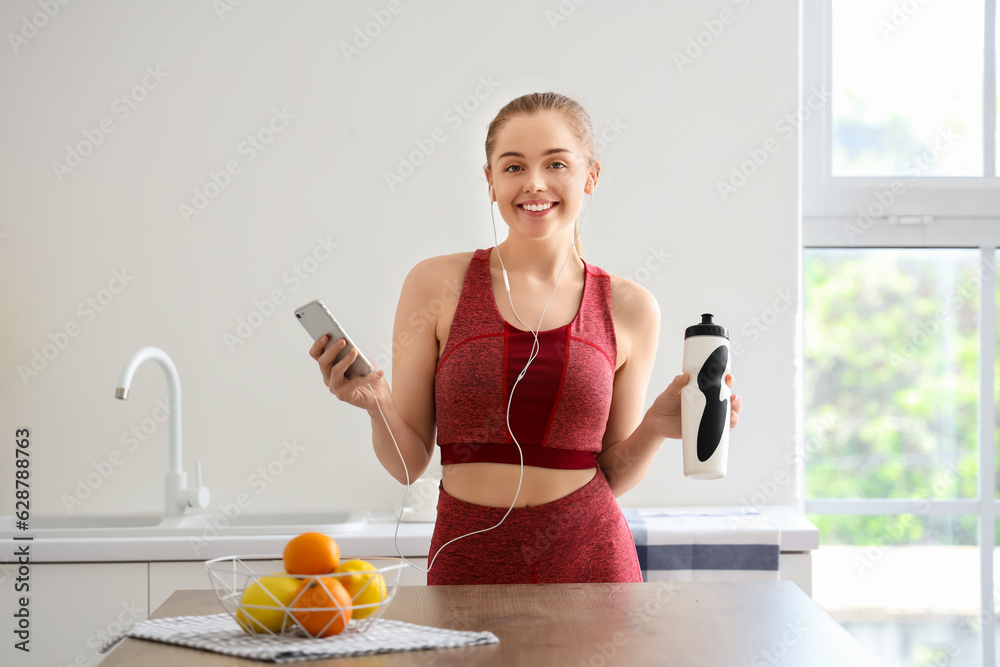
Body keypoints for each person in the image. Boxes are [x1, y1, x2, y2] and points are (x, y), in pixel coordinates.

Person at [309, 92, 742, 585]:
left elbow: (613, 474)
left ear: (590, 176)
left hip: (590, 562)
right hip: (466, 560)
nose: (534, 183)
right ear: (490, 182)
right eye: (513, 167)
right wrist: (376, 403)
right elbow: (409, 465)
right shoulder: (435, 284)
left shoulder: (630, 306)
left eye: (556, 163)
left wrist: (658, 426)